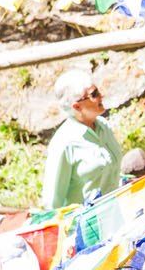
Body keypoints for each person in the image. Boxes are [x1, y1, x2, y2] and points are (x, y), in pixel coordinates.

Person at [40, 68, 124, 209]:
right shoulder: (64, 143)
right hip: (85, 226)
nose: (101, 96)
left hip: (114, 215)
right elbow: (53, 203)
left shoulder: (103, 127)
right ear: (77, 106)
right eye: (94, 94)